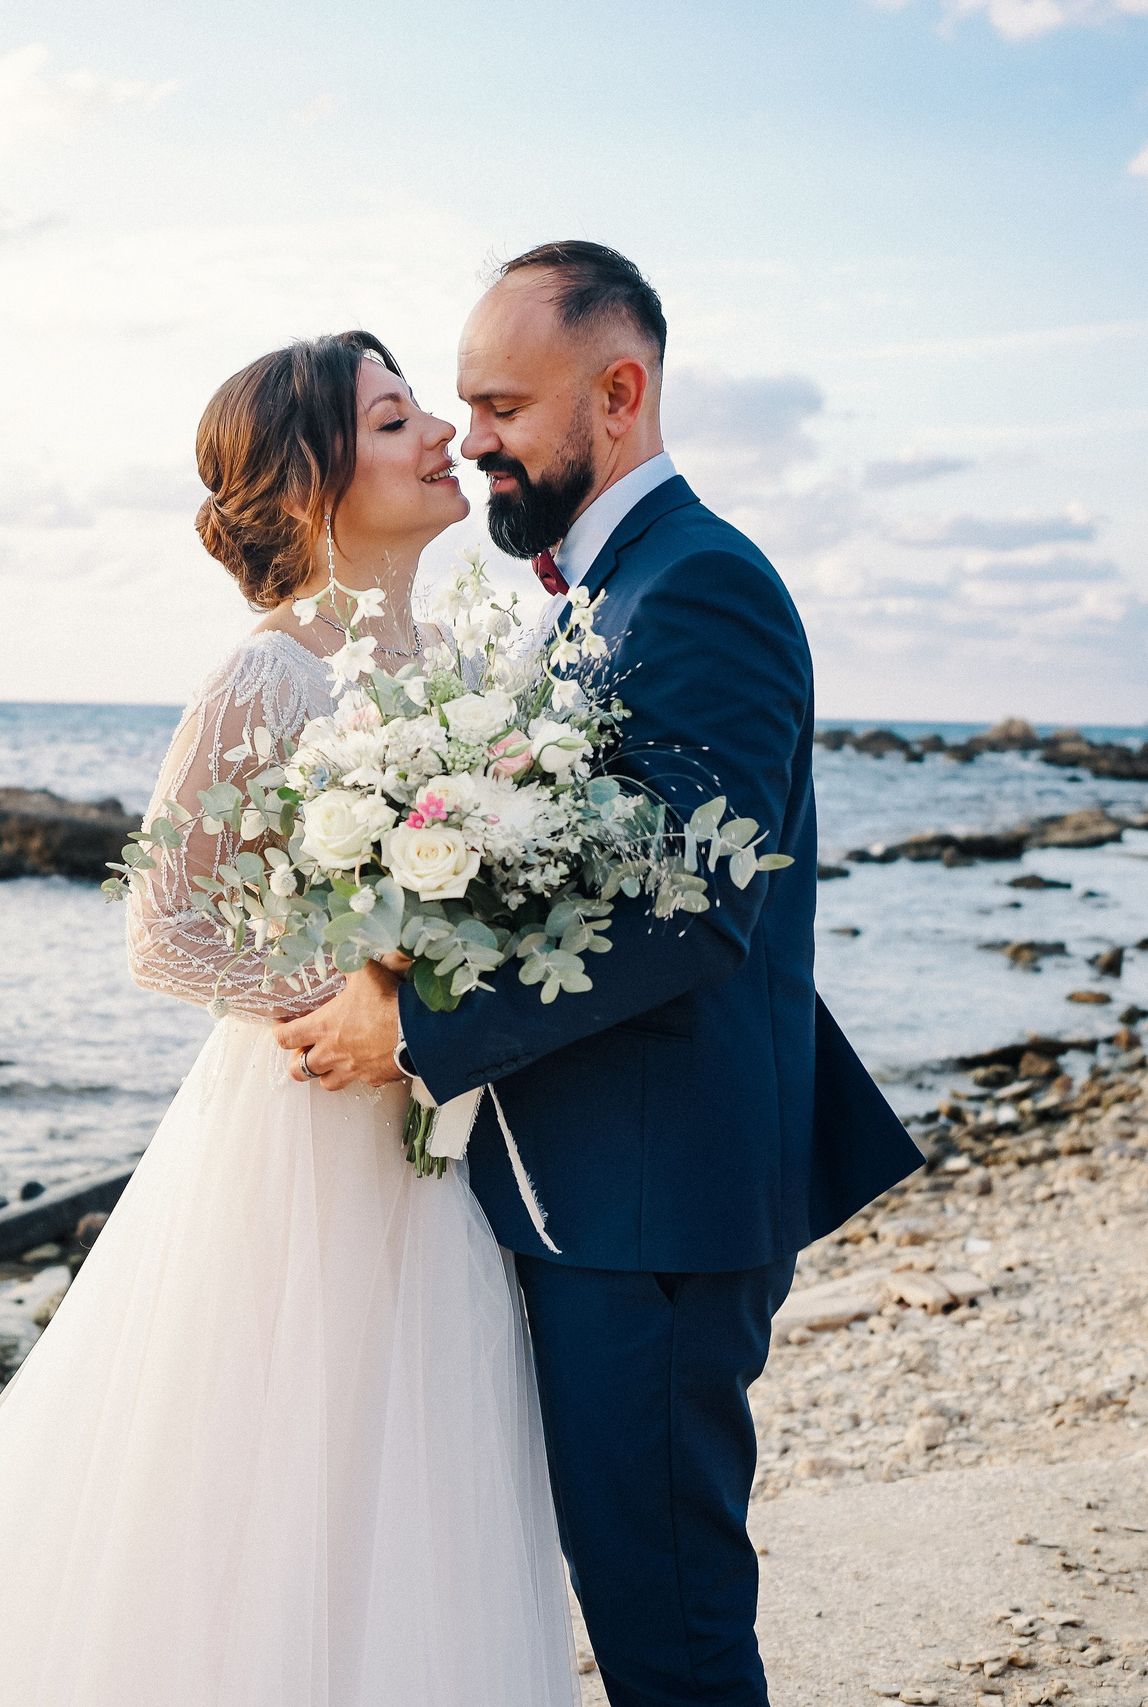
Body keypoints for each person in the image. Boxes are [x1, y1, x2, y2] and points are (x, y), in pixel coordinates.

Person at [0, 331, 579, 1706]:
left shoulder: (470, 669)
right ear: (314, 478)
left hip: (436, 1119)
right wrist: (345, 999)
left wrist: (437, 992)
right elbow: (165, 926)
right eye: (396, 422)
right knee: (265, 1483)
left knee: (421, 1465)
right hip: (304, 1123)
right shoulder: (264, 678)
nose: (442, 433)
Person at [275, 241, 923, 1707]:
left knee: (670, 1626)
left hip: (658, 1209)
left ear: (617, 393)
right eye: (458, 405)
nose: (474, 438)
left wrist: (414, 1019)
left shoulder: (699, 589)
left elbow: (690, 910)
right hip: (603, 1194)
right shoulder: (605, 592)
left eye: (501, 404)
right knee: (638, 1601)